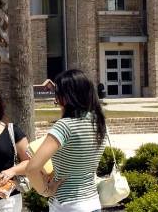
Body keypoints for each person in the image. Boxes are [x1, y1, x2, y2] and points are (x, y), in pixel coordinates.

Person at [27, 69, 108, 212]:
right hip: (93, 202)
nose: (55, 98)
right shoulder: (99, 123)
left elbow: (32, 168)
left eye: (58, 93)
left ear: (66, 96)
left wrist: (45, 191)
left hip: (67, 204)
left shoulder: (65, 126)